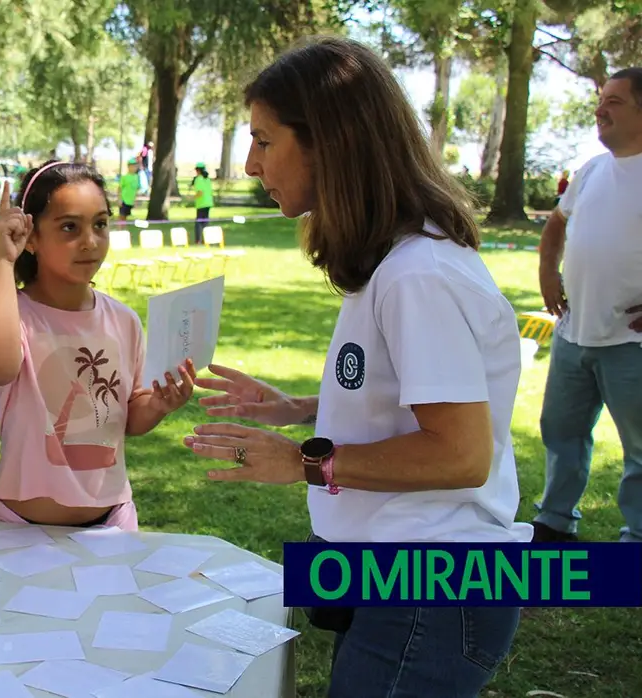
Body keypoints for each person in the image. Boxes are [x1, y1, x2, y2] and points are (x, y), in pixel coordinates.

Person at [182, 37, 529, 697]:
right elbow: (414, 395)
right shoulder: (396, 264)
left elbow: (460, 454)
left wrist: (305, 460)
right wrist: (306, 407)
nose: (251, 164)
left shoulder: (416, 275)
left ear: (328, 143)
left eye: (264, 140)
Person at [0, 164, 194, 529]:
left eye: (100, 224)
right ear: (32, 236)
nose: (90, 241)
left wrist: (158, 405)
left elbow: (128, 415)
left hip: (113, 523)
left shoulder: (124, 321)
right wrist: (2, 259)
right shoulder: (15, 315)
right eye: (70, 227)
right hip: (19, 531)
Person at [534, 67, 642, 544]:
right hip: (574, 332)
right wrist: (546, 272)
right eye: (601, 99)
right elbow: (557, 225)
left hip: (630, 340)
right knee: (561, 431)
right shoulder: (592, 169)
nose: (601, 109)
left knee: (640, 447)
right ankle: (555, 522)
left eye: (615, 102)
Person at [190, 162, 214, 244]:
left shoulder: (198, 179)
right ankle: (206, 240)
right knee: (205, 222)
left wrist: (192, 198)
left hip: (201, 203)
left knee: (199, 223)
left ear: (198, 170)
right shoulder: (207, 179)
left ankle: (198, 240)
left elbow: (200, 192)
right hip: (208, 203)